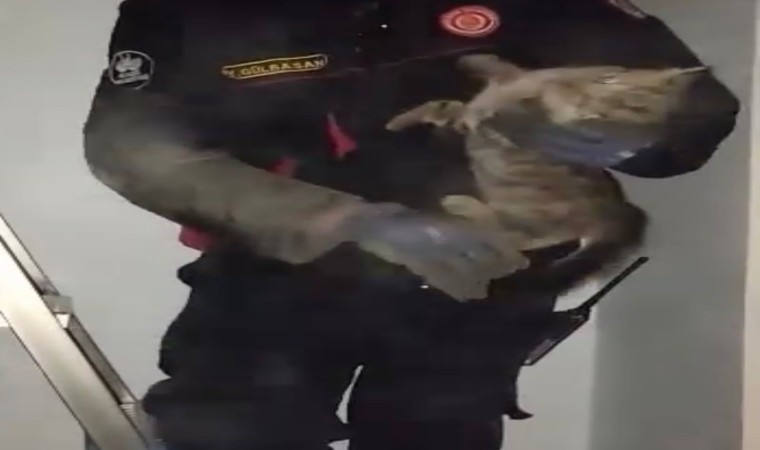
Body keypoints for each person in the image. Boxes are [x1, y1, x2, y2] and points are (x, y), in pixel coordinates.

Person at [83, 0, 739, 449]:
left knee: (434, 434)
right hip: (277, 261)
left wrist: (628, 132)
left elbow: (695, 104)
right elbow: (129, 146)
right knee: (225, 429)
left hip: (475, 275)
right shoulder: (187, 9)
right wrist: (344, 220)